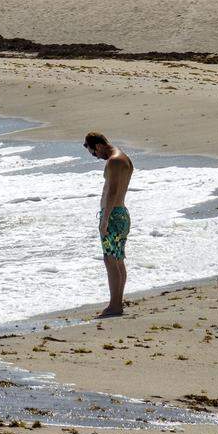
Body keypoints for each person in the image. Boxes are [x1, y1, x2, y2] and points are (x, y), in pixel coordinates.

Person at [84, 131, 133, 317]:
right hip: (120, 214)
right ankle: (117, 302)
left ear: (97, 146)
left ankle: (115, 305)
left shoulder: (114, 160)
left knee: (111, 260)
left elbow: (112, 192)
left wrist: (104, 220)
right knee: (117, 258)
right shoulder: (124, 158)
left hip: (113, 216)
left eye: (94, 153)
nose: (96, 157)